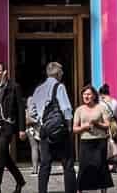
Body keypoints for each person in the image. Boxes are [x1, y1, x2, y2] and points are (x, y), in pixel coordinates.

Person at [29, 62, 76, 193]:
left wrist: (41, 122)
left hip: (45, 130)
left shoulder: (38, 89)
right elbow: (66, 108)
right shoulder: (59, 87)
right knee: (67, 163)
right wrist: (69, 126)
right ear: (57, 73)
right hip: (60, 130)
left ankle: (42, 191)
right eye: (61, 72)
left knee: (44, 164)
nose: (62, 74)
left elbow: (32, 111)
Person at [0, 61, 26, 193]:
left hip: (8, 126)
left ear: (4, 72)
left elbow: (21, 108)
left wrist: (22, 129)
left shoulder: (14, 87)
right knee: (4, 156)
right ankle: (20, 181)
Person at [72, 84, 113, 190]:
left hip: (100, 142)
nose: (86, 96)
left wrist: (97, 124)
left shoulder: (101, 108)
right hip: (85, 142)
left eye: (89, 94)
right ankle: (80, 189)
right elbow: (75, 129)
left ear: (94, 96)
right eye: (84, 94)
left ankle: (103, 190)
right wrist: (84, 127)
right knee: (84, 167)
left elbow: (107, 125)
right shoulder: (79, 110)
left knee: (101, 167)